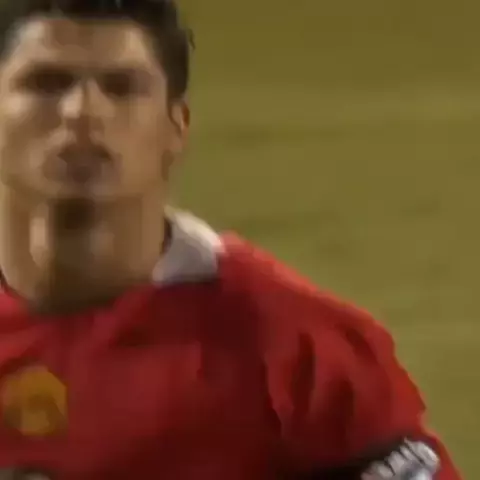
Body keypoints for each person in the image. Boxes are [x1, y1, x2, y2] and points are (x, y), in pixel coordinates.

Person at [0, 0, 461, 479]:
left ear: (176, 128)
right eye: (47, 83)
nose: (82, 111)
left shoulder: (298, 349)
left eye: (122, 88)